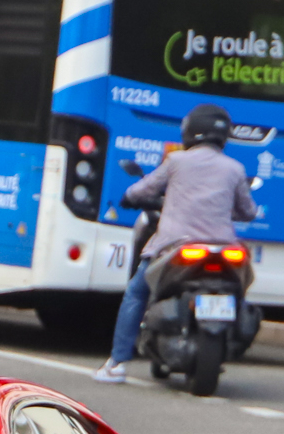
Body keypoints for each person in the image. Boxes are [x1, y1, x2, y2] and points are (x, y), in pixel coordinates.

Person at [95, 105, 258, 384]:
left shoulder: (177, 161)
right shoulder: (235, 168)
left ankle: (117, 363)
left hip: (175, 245)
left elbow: (143, 189)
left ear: (190, 131)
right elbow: (248, 211)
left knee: (136, 292)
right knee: (240, 291)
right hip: (223, 248)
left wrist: (129, 196)